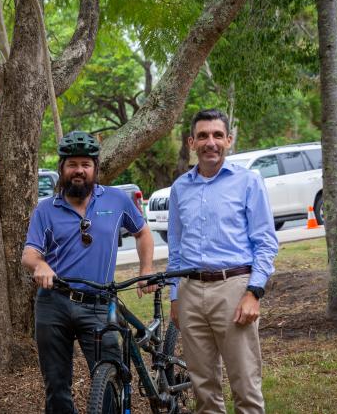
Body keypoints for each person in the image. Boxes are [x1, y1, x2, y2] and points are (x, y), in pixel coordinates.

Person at [21, 131, 155, 413]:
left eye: (85, 164)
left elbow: (143, 233)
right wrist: (40, 265)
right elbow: (30, 253)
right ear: (62, 168)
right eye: (72, 164)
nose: (79, 170)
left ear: (95, 168)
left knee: (109, 377)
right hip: (53, 304)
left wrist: (146, 268)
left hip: (99, 303)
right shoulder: (45, 210)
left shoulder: (117, 200)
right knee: (56, 385)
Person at [167, 109, 279, 414]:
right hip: (190, 292)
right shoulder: (180, 188)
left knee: (245, 384)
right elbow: (175, 248)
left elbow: (266, 242)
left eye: (217, 135)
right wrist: (175, 296)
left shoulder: (248, 182)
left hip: (234, 289)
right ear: (192, 142)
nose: (210, 142)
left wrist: (253, 292)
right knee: (204, 389)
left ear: (228, 140)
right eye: (202, 135)